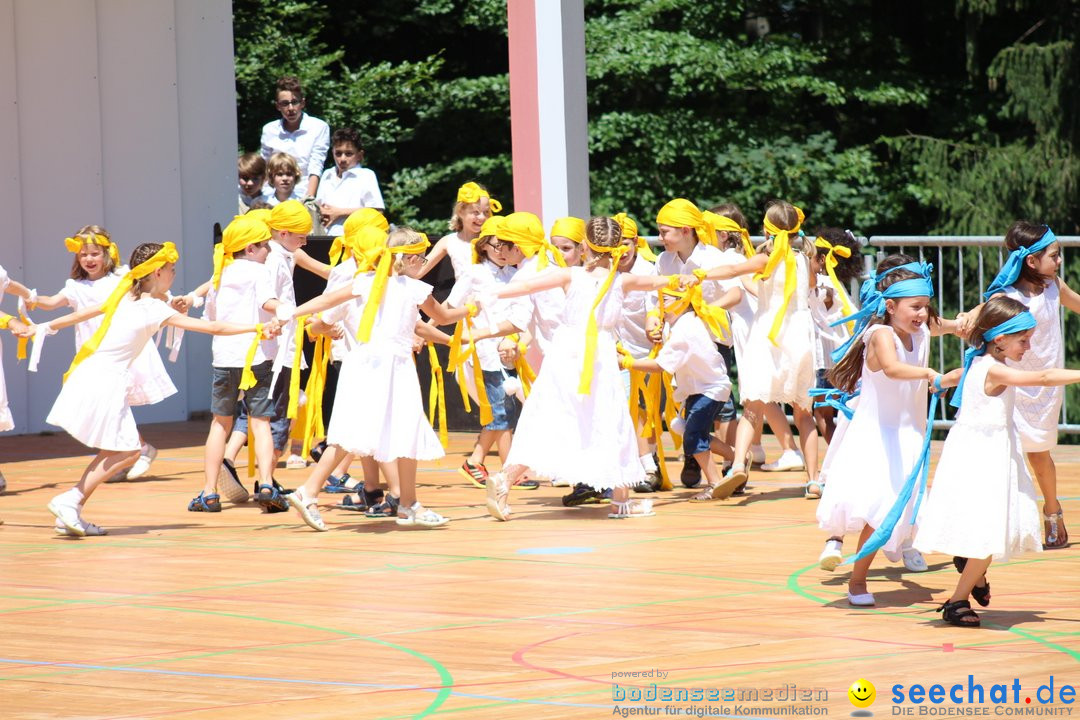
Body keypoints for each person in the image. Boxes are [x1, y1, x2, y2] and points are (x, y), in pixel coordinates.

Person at [34, 242, 272, 536]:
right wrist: (256, 329)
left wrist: (44, 327)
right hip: (104, 378)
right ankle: (70, 500)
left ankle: (71, 506)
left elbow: (86, 313)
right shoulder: (149, 307)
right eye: (172, 270)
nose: (174, 275)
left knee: (123, 449)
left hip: (97, 374)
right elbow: (213, 328)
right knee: (129, 450)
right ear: (158, 272)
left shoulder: (125, 295)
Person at [481, 217, 692, 521]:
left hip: (564, 352)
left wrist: (488, 296)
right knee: (611, 420)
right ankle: (620, 503)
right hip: (598, 356)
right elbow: (660, 281)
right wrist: (682, 280)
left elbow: (526, 285)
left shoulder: (570, 276)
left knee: (550, 418)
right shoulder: (623, 280)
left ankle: (505, 478)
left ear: (583, 246)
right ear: (617, 248)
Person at [283, 228, 474, 531]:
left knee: (385, 432)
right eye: (420, 256)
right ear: (408, 259)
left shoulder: (362, 284)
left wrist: (288, 315)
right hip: (391, 367)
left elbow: (324, 309)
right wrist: (475, 306)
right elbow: (446, 317)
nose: (423, 261)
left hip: (363, 365)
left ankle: (408, 504)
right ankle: (308, 491)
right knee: (374, 433)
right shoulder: (412, 288)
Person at [813, 256, 963, 604]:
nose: (922, 314)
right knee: (881, 510)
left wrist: (979, 320)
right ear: (890, 306)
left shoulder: (921, 330)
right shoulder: (879, 334)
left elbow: (951, 326)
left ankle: (890, 556)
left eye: (925, 307)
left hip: (908, 434)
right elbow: (894, 370)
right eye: (915, 307)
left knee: (900, 511)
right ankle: (857, 580)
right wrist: (933, 376)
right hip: (879, 437)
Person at [915, 295, 1063, 627]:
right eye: (1023, 339)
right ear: (1000, 339)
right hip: (985, 456)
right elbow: (1041, 379)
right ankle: (956, 601)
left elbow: (955, 375)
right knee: (991, 530)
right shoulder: (995, 370)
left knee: (990, 526)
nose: (1029, 345)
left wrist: (939, 381)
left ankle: (972, 571)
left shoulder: (978, 364)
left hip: (978, 450)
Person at [967, 222, 1076, 549]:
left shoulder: (1054, 286)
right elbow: (978, 315)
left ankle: (1053, 511)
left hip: (1046, 383)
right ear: (1031, 260)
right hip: (1012, 381)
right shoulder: (1007, 297)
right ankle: (999, 521)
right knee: (1005, 453)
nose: (1059, 261)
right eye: (1054, 255)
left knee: (1039, 454)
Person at [30, 227, 170, 481]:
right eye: (83, 254)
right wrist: (28, 296)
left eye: (94, 253)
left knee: (115, 405)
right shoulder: (75, 287)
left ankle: (136, 451)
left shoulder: (121, 277)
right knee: (106, 407)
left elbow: (152, 291)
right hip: (95, 354)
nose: (89, 259)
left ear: (107, 253)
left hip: (123, 351)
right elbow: (51, 302)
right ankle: (128, 455)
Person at [699, 201, 819, 495]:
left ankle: (739, 464)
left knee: (752, 406)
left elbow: (731, 269)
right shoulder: (805, 259)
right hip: (799, 334)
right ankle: (814, 479)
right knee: (804, 412)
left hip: (769, 332)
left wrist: (701, 275)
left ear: (768, 229)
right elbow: (803, 289)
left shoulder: (766, 259)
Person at [193, 214, 290, 514]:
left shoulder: (220, 274)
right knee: (260, 422)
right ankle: (265, 484)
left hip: (224, 358)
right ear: (250, 248)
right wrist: (289, 310)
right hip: (257, 357)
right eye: (265, 245)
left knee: (220, 423)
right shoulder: (258, 272)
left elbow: (211, 318)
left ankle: (209, 493)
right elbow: (266, 302)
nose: (269, 251)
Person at [222, 201, 312, 494]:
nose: (306, 241)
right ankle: (266, 481)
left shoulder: (281, 256)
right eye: (301, 235)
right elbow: (269, 301)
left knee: (258, 413)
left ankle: (249, 470)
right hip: (276, 350)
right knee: (276, 417)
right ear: (283, 233)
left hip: (274, 347)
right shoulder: (272, 261)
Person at [622, 282, 736, 499]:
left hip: (709, 388)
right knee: (692, 432)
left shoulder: (685, 329)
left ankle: (715, 483)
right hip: (698, 387)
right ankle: (738, 456)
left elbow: (659, 366)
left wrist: (628, 362)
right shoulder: (679, 324)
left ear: (681, 302)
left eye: (665, 300)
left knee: (693, 435)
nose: (660, 305)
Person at [808, 228, 863, 445]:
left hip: (828, 359)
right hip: (845, 357)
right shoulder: (837, 286)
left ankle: (838, 455)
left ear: (822, 259)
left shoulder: (822, 286)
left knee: (823, 413)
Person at [260, 75, 330, 198]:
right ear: (278, 106)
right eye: (285, 104)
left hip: (302, 193)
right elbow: (265, 166)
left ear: (302, 103)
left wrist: (309, 199)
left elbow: (316, 165)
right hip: (273, 195)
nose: (291, 108)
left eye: (294, 102)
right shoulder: (269, 130)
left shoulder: (319, 127)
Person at [419, 182, 499, 281]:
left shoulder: (494, 240)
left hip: (495, 293)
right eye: (476, 212)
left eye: (486, 212)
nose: (482, 217)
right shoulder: (449, 241)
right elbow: (419, 271)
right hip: (464, 295)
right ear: (461, 212)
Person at [315, 127, 384, 236]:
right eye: (338, 153)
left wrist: (339, 213)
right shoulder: (327, 174)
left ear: (360, 155)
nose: (342, 159)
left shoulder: (366, 176)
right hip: (325, 237)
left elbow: (377, 212)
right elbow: (318, 206)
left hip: (354, 240)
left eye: (348, 154)